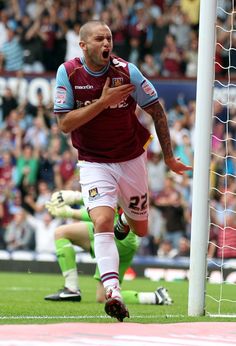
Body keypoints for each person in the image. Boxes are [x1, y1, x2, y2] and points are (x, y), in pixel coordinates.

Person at [53, 20, 191, 322]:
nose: (107, 44)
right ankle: (113, 291)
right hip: (92, 161)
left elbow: (156, 109)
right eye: (100, 39)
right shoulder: (69, 73)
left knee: (140, 229)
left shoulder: (127, 71)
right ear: (83, 45)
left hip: (131, 158)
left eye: (110, 38)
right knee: (100, 219)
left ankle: (124, 221)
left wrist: (168, 157)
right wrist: (103, 103)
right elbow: (64, 124)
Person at [44, 190, 173, 306]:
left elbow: (103, 211)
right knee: (61, 233)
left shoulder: (118, 174)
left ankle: (71, 289)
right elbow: (101, 199)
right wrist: (75, 197)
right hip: (115, 234)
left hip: (118, 239)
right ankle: (71, 289)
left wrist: (71, 207)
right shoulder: (116, 173)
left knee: (104, 297)